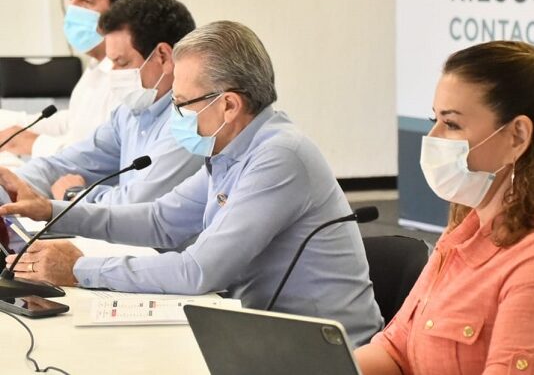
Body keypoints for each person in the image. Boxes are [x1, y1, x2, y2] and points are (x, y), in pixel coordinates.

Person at [1, 21, 382, 346]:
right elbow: (161, 221)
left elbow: (199, 270)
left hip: (321, 349)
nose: (175, 115)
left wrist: (80, 268)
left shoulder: (279, 156)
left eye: (182, 104)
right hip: (262, 330)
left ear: (229, 105)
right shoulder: (231, 150)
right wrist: (51, 211)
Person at [355, 40, 534, 374]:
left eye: (451, 124)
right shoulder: (460, 235)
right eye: (433, 119)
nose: (433, 137)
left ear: (517, 137)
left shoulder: (527, 264)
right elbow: (395, 350)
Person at [14, 0, 202, 204]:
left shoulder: (191, 120)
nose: (113, 73)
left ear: (163, 57)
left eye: (122, 62)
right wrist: (10, 184)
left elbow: (135, 206)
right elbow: (66, 164)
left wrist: (74, 195)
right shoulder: (129, 114)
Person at [0, 0, 142, 158]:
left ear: (121, 10)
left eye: (85, 1)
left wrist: (34, 144)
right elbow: (73, 122)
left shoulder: (128, 76)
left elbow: (103, 157)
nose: (72, 10)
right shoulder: (96, 64)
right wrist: (13, 126)